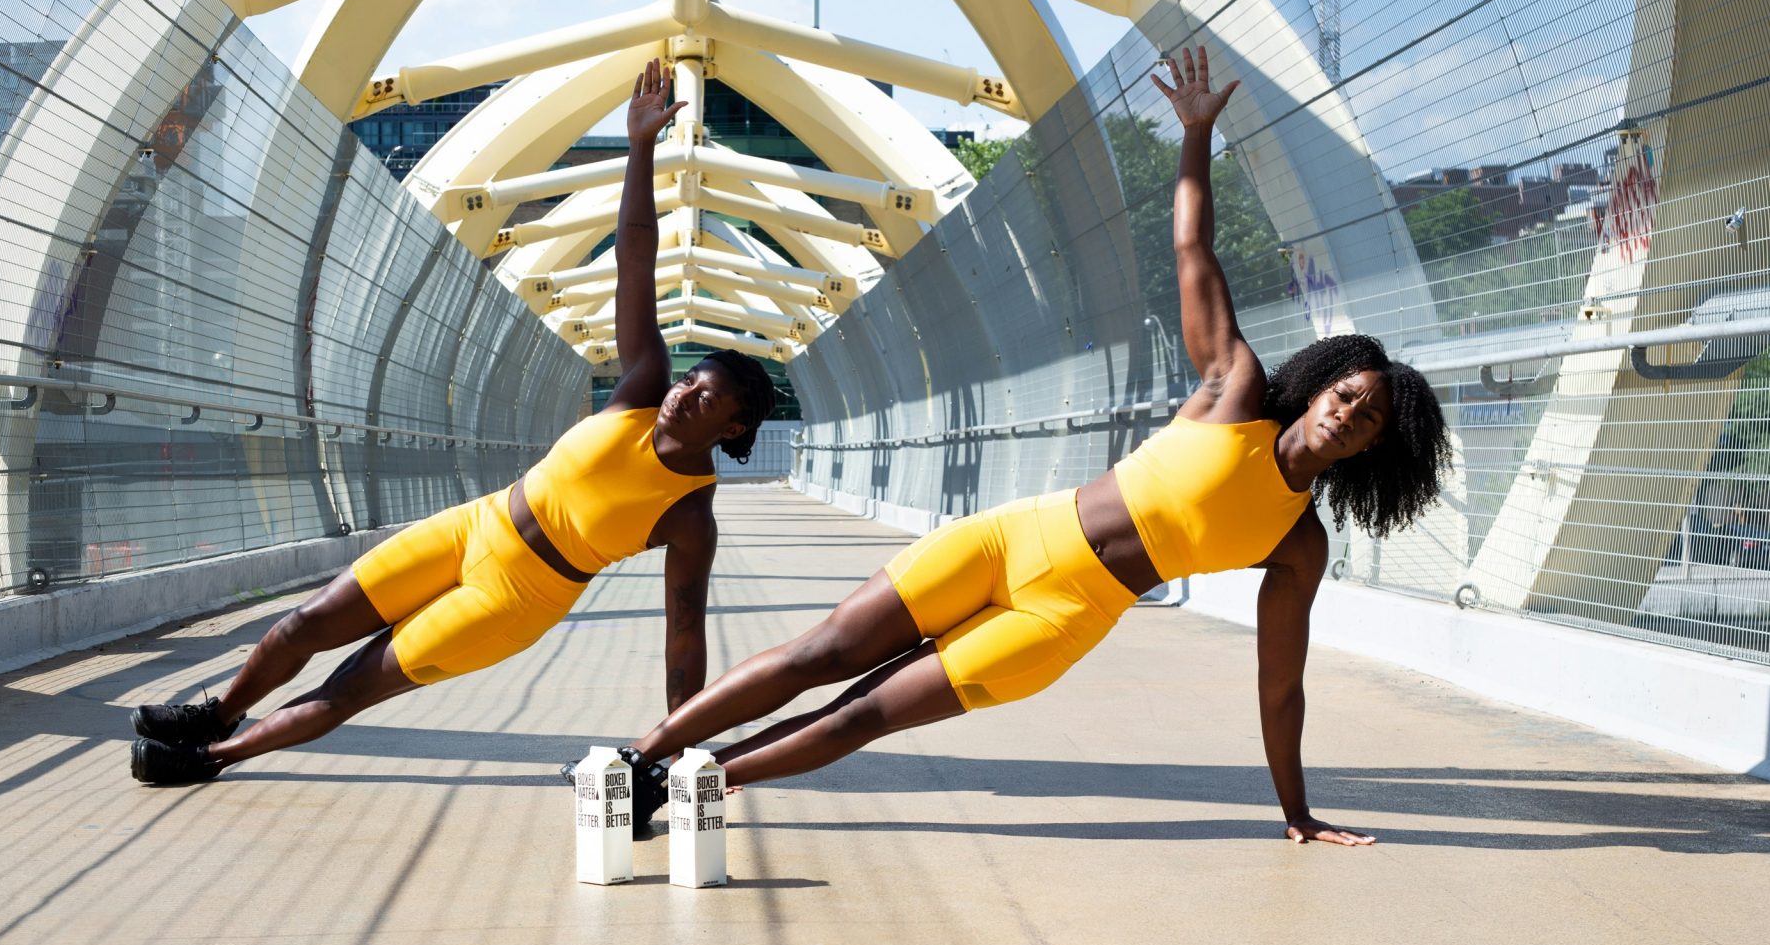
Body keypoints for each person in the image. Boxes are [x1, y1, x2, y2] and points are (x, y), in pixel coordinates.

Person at [598, 48, 1451, 846]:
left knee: (861, 716)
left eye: (1371, 421)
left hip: (1061, 618)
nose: (1351, 416)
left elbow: (1280, 685)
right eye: (1350, 396)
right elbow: (1194, 250)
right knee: (819, 655)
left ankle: (676, 794)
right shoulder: (1232, 391)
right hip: (1009, 539)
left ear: (1376, 449)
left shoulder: (1300, 541)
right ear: (1323, 383)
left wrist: (1295, 808)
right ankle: (637, 757)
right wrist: (1195, 135)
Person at [130, 58, 775, 824]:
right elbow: (635, 259)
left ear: (733, 427)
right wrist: (638, 148)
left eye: (704, 399)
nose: (682, 394)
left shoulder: (690, 516)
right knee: (306, 623)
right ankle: (217, 713)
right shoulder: (640, 387)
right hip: (477, 523)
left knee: (350, 684)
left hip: (511, 598)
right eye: (687, 381)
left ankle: (210, 758)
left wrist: (677, 741)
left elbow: (683, 640)